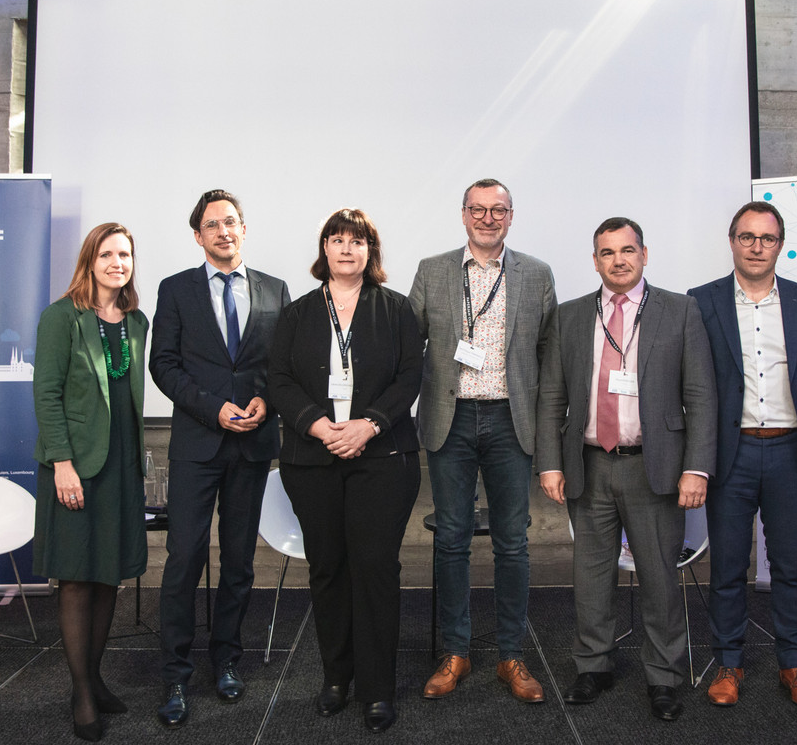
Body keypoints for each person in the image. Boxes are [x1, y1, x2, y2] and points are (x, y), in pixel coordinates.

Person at [536, 217, 715, 721]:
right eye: (607, 252)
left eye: (627, 250)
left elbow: (700, 395)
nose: (618, 259)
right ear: (595, 260)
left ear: (644, 254)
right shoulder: (569, 316)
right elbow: (551, 395)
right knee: (590, 578)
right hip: (587, 465)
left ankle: (664, 676)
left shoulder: (680, 311)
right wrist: (549, 462)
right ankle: (593, 666)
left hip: (653, 467)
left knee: (659, 577)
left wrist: (697, 468)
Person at [269, 209, 423, 733]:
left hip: (382, 460)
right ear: (324, 250)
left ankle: (377, 689)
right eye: (336, 240)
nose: (346, 249)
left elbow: (409, 380)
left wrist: (369, 425)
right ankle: (337, 678)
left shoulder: (398, 310)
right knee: (328, 567)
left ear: (370, 251)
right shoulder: (296, 314)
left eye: (357, 242)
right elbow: (280, 380)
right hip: (312, 459)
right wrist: (317, 425)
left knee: (375, 568)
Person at [408, 178, 556, 703]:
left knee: (512, 542)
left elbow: (548, 355)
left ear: (511, 216)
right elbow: (409, 345)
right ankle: (456, 652)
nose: (488, 218)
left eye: (498, 210)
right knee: (450, 540)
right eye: (478, 209)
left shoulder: (536, 274)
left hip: (510, 422)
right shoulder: (433, 270)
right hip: (451, 421)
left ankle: (511, 656)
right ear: (463, 214)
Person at [150, 190, 290, 728]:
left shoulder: (276, 290)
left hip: (253, 444)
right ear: (198, 236)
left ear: (243, 228)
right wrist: (214, 409)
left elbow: (284, 364)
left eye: (230, 221)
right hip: (197, 446)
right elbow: (163, 365)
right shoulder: (176, 290)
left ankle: (226, 661)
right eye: (212, 225)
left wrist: (264, 401)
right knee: (184, 561)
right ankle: (175, 675)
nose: (223, 231)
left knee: (239, 564)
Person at [687, 202, 797, 710]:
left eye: (766, 238)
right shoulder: (701, 302)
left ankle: (794, 663)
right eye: (746, 237)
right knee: (726, 567)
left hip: (790, 451)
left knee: (790, 566)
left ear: (780, 245)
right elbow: (695, 381)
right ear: (731, 242)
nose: (756, 246)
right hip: (731, 453)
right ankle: (728, 663)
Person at [33, 223, 149, 742]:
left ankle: (95, 677)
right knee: (77, 578)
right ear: (90, 260)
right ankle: (80, 691)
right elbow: (47, 394)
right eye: (107, 253)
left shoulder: (136, 321)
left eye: (124, 254)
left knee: (108, 575)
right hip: (76, 466)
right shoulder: (62, 318)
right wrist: (61, 463)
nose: (117, 262)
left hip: (121, 463)